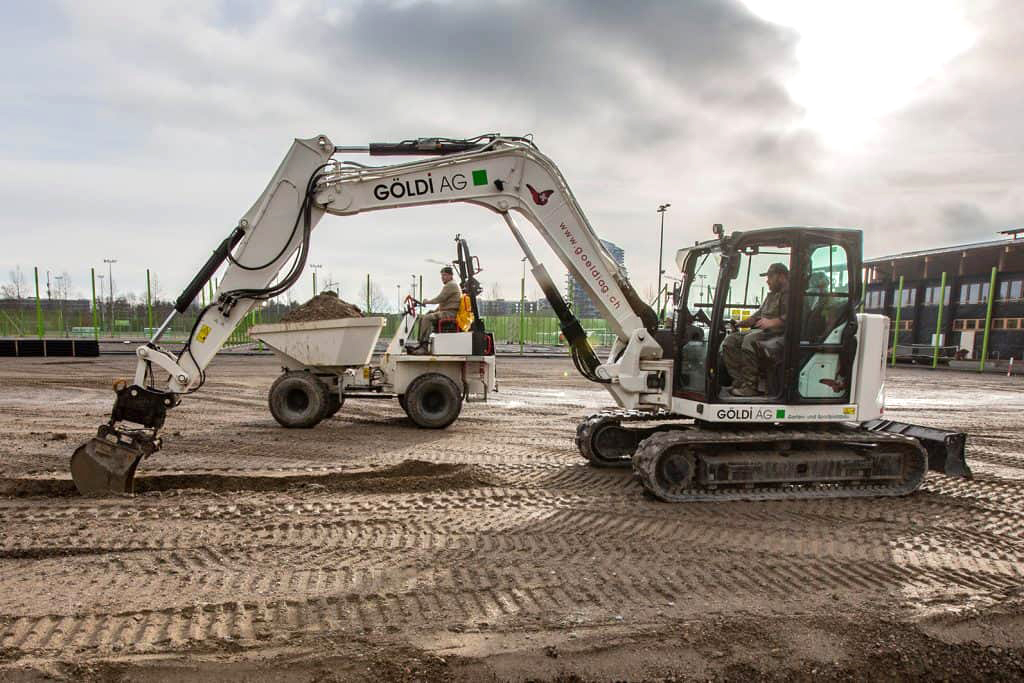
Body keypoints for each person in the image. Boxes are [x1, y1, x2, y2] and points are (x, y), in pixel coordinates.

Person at [721, 262, 789, 397]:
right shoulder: (771, 296)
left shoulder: (790, 296)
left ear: (781, 276)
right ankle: (739, 381)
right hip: (764, 333)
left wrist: (772, 322)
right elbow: (757, 316)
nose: (767, 281)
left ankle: (751, 386)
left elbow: (793, 317)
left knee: (749, 340)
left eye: (770, 277)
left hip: (779, 334)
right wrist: (741, 323)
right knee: (730, 341)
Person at [413, 266, 462, 344]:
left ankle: (423, 344)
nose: (442, 277)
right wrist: (434, 311)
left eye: (445, 275)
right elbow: (444, 303)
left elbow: (439, 299)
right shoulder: (450, 285)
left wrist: (427, 302)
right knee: (427, 315)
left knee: (427, 318)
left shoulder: (451, 285)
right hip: (447, 312)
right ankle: (421, 341)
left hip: (450, 313)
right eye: (442, 275)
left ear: (450, 276)